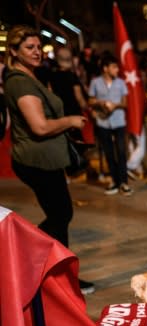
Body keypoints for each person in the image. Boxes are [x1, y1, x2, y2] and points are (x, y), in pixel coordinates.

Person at [3, 25, 94, 295]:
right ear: (13, 52)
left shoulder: (30, 76)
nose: (36, 52)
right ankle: (21, 257)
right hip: (37, 161)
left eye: (38, 46)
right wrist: (70, 121)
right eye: (29, 48)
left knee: (61, 215)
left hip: (47, 159)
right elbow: (39, 127)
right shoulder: (19, 82)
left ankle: (61, 278)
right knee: (60, 214)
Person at [89, 54, 131, 196]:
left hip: (119, 122)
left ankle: (124, 183)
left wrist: (115, 105)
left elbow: (125, 103)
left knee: (121, 152)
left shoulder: (121, 83)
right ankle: (114, 181)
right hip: (103, 122)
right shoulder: (95, 82)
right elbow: (91, 100)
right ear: (105, 68)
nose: (117, 70)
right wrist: (100, 103)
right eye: (114, 67)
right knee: (108, 153)